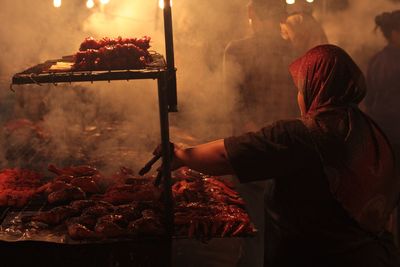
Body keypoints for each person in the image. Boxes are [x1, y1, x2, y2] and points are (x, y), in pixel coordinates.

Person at [164, 45, 400, 266]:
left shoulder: (303, 135)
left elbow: (229, 155)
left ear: (315, 85)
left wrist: (181, 155)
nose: (297, 96)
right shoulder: (371, 128)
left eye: (299, 88)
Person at [223, 1, 297, 265]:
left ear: (252, 15)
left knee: (253, 228)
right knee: (281, 225)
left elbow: (232, 101)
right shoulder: (293, 51)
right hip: (285, 146)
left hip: (252, 147)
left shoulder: (237, 50)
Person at [365, 10, 400, 244]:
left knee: (386, 195)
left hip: (382, 135)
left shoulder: (376, 60)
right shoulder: (394, 62)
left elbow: (369, 100)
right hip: (396, 134)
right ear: (396, 33)